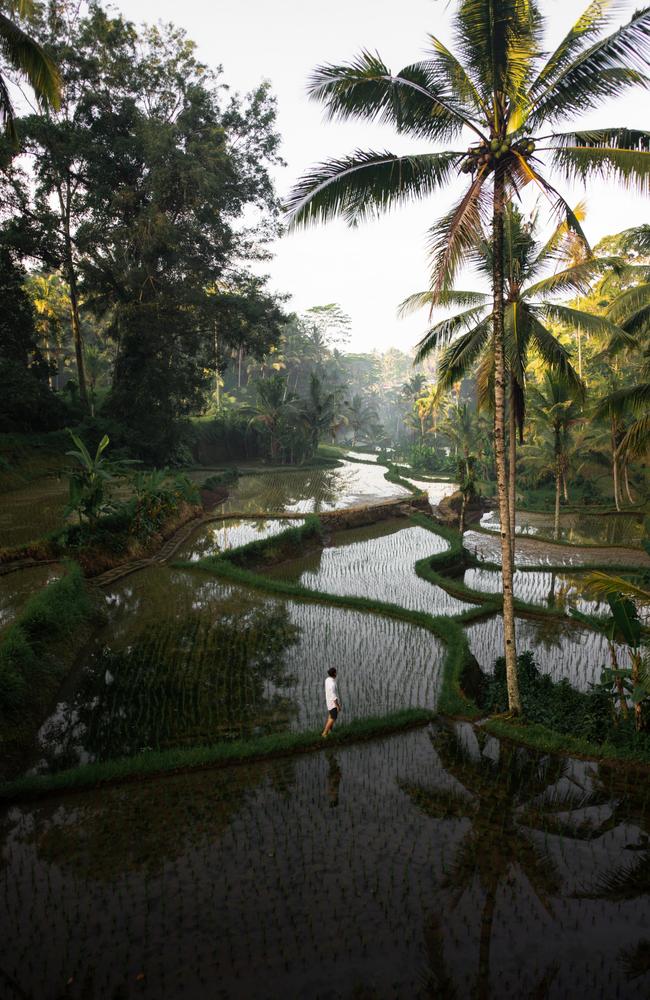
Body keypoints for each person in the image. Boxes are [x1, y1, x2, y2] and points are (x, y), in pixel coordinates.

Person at [322, 666, 341, 738]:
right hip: (332, 703)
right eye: (336, 672)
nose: (336, 673)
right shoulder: (332, 684)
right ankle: (324, 733)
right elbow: (333, 695)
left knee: (331, 716)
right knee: (333, 718)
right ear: (334, 673)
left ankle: (330, 730)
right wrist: (337, 706)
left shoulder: (327, 679)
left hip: (328, 701)